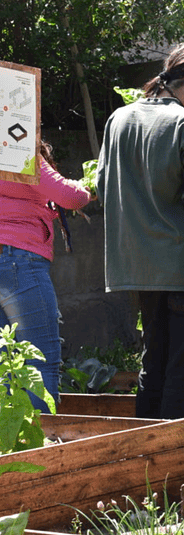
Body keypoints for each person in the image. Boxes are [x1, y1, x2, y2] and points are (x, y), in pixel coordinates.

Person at [96, 41, 184, 419]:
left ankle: (148, 463)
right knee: (182, 374)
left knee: (153, 367)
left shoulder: (118, 121)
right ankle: (173, 470)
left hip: (140, 274)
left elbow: (102, 187)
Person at [0, 141, 93, 411]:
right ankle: (40, 448)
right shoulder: (16, 145)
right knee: (39, 362)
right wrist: (88, 189)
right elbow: (69, 196)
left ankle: (11, 449)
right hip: (19, 261)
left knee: (6, 364)